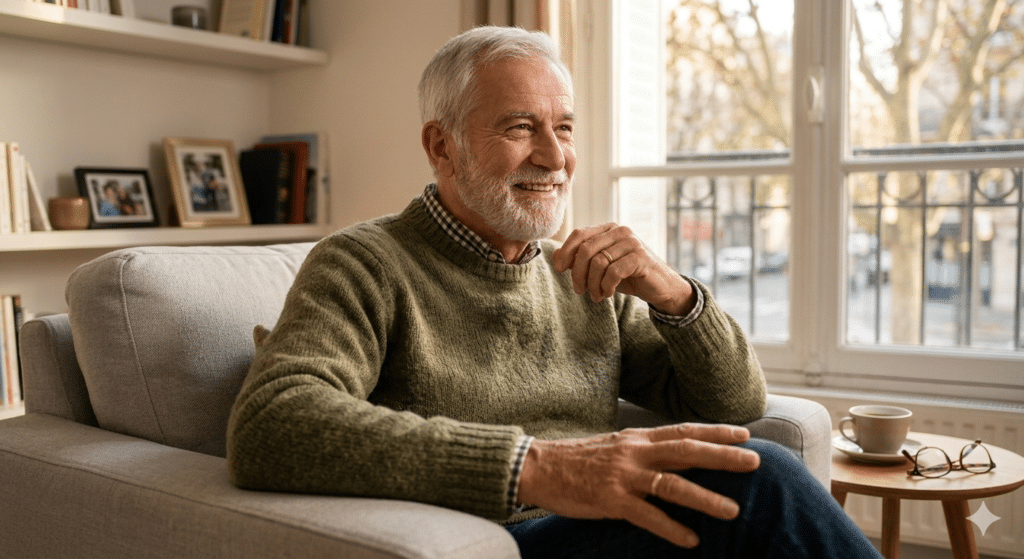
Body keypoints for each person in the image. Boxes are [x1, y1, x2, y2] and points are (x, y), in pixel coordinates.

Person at [227, 26, 882, 558]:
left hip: (606, 530)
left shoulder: (580, 273)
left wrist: (672, 293)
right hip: (491, 536)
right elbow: (271, 423)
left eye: (563, 128)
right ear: (442, 146)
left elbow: (735, 403)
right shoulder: (366, 262)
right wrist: (531, 466)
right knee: (759, 478)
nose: (554, 156)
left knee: (747, 466)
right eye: (519, 127)